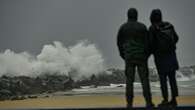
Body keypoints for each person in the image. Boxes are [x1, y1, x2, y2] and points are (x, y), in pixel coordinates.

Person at [117, 8, 154, 109]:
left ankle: (129, 104)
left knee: (129, 81)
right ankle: (148, 102)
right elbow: (148, 43)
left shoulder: (123, 28)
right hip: (141, 56)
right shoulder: (142, 27)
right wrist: (146, 55)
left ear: (128, 16)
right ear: (136, 16)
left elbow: (119, 44)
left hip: (129, 57)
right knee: (144, 80)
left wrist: (124, 56)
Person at [149, 9, 179, 108]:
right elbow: (176, 38)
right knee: (172, 79)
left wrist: (151, 52)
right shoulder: (169, 25)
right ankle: (174, 100)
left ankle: (165, 100)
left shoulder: (153, 28)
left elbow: (151, 44)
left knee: (163, 80)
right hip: (171, 56)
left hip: (160, 58)